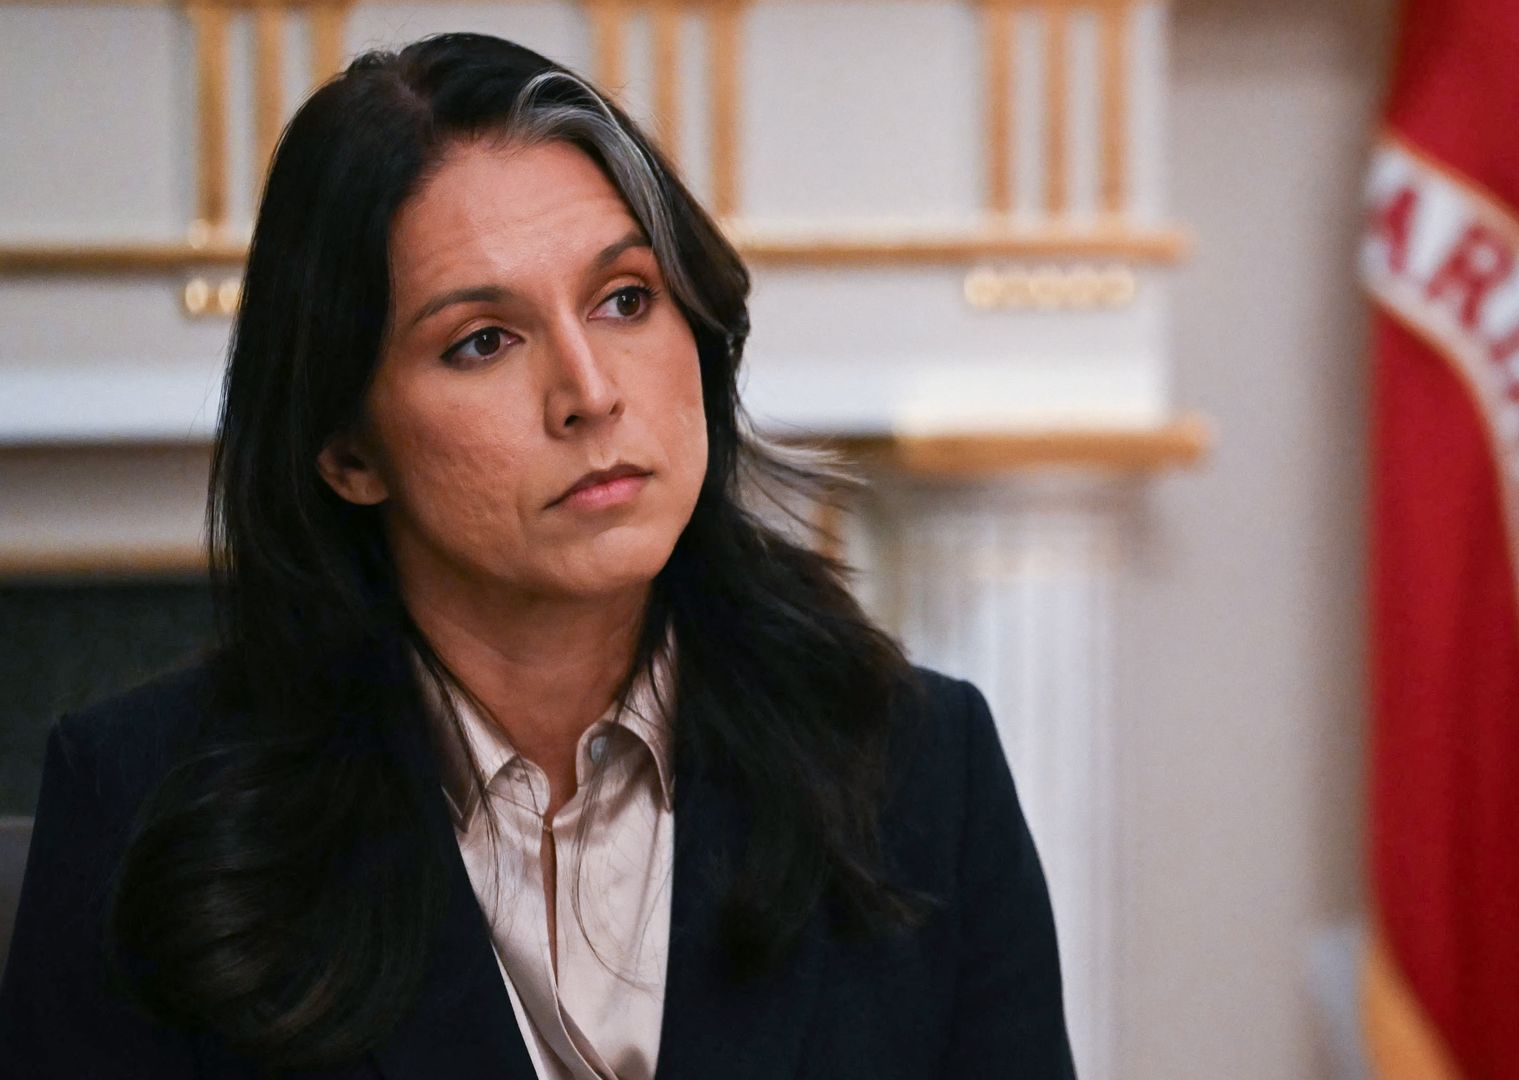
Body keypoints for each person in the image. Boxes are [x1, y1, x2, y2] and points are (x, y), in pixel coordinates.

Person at [0, 32, 1074, 1079]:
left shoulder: (925, 770)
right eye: (483, 341)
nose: (591, 390)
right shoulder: (139, 805)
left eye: (625, 300)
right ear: (346, 450)